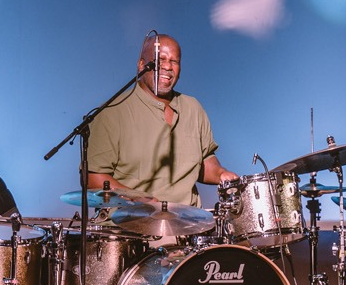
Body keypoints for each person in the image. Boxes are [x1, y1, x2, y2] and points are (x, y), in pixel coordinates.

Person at [83, 33, 236, 207]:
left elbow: (204, 160)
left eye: (174, 61)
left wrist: (221, 174)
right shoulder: (112, 111)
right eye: (161, 59)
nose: (168, 66)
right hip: (129, 220)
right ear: (142, 65)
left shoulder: (194, 108)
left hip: (188, 219)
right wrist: (136, 198)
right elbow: (92, 177)